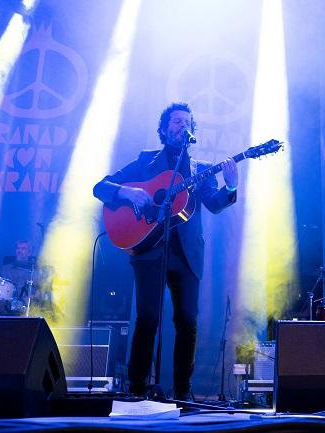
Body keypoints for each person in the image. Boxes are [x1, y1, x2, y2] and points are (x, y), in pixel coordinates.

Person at [93, 102, 238, 400]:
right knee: (147, 318)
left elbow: (214, 203)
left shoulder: (201, 170)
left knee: (187, 321)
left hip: (186, 253)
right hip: (148, 248)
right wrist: (127, 191)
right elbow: (100, 187)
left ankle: (183, 392)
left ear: (192, 130)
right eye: (176, 121)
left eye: (187, 121)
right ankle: (136, 388)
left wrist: (231, 187)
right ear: (163, 129)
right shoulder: (145, 163)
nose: (181, 125)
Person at [0, 239, 53, 314]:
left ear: (29, 253)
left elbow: (41, 291)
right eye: (18, 248)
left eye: (23, 248)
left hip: (27, 309)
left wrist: (33, 297)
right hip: (6, 307)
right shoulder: (5, 269)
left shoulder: (35, 271)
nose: (19, 250)